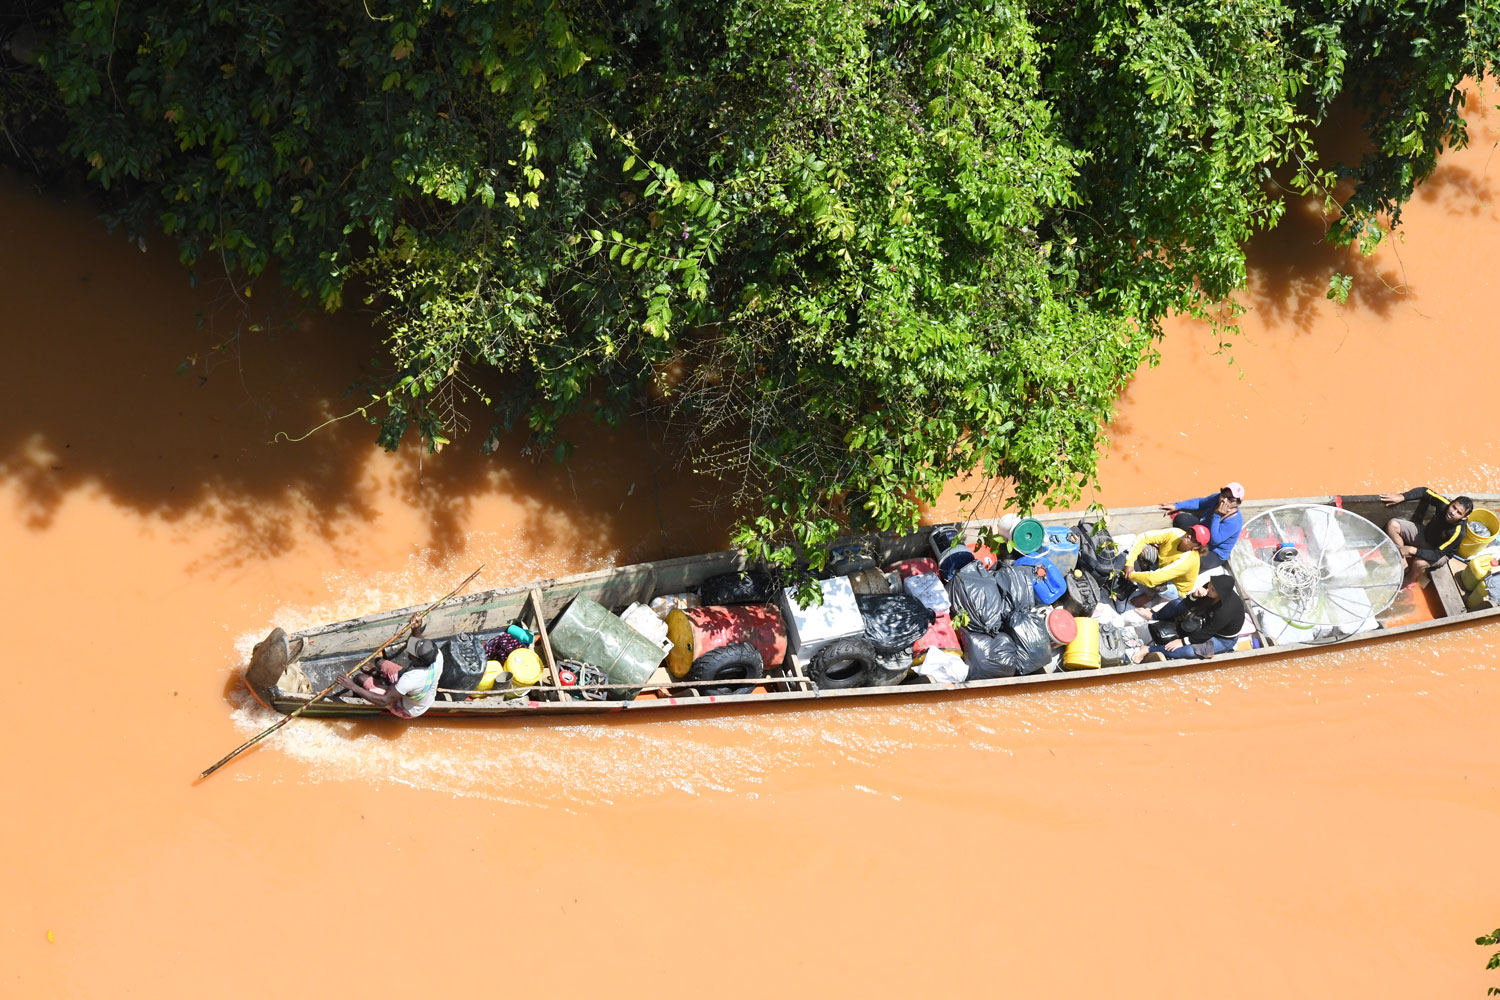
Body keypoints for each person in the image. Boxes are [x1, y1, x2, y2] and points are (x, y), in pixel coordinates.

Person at [1129, 572, 1246, 661]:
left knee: (1191, 651)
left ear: (1220, 595)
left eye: (1213, 590)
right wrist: (1195, 595)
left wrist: (1184, 641)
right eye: (1210, 585)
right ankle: (1154, 615)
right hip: (1206, 620)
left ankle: (1148, 649)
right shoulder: (1209, 589)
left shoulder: (1224, 611)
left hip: (1222, 638)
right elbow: (1188, 603)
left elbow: (1207, 632)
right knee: (1178, 603)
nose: (1208, 590)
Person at [337, 624, 446, 719]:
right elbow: (421, 642)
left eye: (412, 653)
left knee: (359, 678)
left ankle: (358, 696)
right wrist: (415, 629)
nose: (409, 651)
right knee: (379, 662)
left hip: (405, 707)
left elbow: (384, 700)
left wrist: (353, 687)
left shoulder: (410, 679)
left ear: (418, 661)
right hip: (409, 688)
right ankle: (378, 677)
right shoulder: (437, 656)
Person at [1378, 487, 1474, 587]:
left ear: (1464, 517)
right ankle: (1403, 562)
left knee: (1418, 563)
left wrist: (1412, 550)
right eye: (1454, 507)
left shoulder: (1458, 532)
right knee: (1393, 524)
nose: (1452, 513)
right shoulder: (1443, 504)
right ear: (1451, 503)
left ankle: (1411, 578)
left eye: (1459, 513)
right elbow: (1424, 491)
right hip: (1425, 535)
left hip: (1438, 552)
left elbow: (1438, 554)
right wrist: (1402, 497)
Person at [1159, 482, 1244, 565]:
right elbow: (1200, 503)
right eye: (1224, 495)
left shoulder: (1234, 521)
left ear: (1238, 503)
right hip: (1201, 532)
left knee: (1191, 561)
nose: (1224, 501)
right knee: (1181, 519)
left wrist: (1217, 515)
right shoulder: (1216, 498)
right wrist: (1177, 506)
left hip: (1213, 550)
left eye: (1230, 499)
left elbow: (1214, 540)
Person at [1124, 523, 1209, 599]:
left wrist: (1130, 575)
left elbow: (1154, 578)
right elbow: (1144, 537)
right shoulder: (1175, 533)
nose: (1189, 536)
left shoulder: (1188, 561)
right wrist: (1129, 563)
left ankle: (1149, 595)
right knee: (1145, 551)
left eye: (1194, 539)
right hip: (1163, 567)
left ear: (1197, 547)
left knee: (1158, 585)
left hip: (1175, 586)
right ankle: (1144, 580)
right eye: (1191, 532)